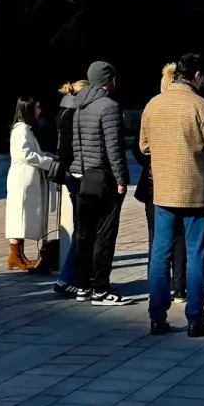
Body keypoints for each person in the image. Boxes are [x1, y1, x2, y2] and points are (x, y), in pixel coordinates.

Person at [138, 52, 204, 337]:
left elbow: (143, 147)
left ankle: (157, 317)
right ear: (197, 76)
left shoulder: (153, 104)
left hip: (163, 190)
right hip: (197, 193)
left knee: (160, 253)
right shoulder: (200, 106)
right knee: (197, 254)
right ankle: (195, 318)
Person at [68, 61, 128, 304]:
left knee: (84, 234)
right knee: (104, 235)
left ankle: (83, 286)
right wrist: (122, 179)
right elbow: (114, 148)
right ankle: (101, 289)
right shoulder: (109, 107)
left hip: (82, 176)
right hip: (103, 177)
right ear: (108, 80)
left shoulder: (79, 105)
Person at [134, 64, 187, 302]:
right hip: (183, 183)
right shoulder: (189, 106)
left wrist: (153, 161)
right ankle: (180, 288)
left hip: (153, 183)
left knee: (156, 238)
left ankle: (156, 288)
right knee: (180, 238)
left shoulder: (151, 108)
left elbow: (140, 148)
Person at [6, 96, 58, 270]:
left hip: (28, 178)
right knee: (18, 218)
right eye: (36, 107)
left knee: (22, 217)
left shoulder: (26, 129)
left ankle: (18, 255)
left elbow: (35, 152)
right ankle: (15, 256)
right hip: (22, 179)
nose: (39, 110)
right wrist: (48, 162)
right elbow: (27, 155)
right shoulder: (21, 129)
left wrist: (48, 157)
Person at [48, 79, 86, 290]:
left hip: (69, 173)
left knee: (81, 226)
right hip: (77, 172)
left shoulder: (63, 110)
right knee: (83, 229)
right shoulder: (75, 114)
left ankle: (74, 276)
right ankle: (67, 278)